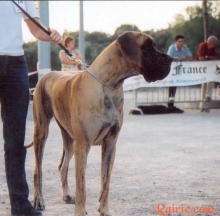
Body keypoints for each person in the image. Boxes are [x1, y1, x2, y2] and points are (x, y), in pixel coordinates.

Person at [0, 1, 62, 216]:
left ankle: (20, 205)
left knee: (16, 140)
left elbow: (36, 29)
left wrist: (51, 33)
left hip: (16, 64)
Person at [167, 34, 193, 112]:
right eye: (180, 41)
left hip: (180, 70)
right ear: (176, 42)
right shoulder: (172, 47)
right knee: (172, 83)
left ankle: (171, 101)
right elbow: (168, 57)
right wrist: (177, 59)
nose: (181, 43)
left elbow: (191, 58)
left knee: (176, 83)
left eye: (183, 41)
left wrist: (183, 58)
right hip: (171, 69)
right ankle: (170, 101)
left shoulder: (185, 47)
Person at [196, 36, 219, 112]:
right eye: (213, 42)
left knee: (211, 80)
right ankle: (202, 105)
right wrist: (210, 58)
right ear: (210, 42)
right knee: (204, 84)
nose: (215, 44)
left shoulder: (212, 48)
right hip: (200, 68)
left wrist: (208, 57)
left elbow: (216, 56)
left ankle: (207, 98)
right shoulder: (203, 45)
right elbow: (201, 58)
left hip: (208, 68)